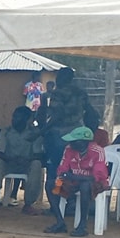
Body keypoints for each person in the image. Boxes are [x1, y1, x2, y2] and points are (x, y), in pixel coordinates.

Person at [42, 67, 90, 220]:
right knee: (75, 167)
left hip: (60, 133)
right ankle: (71, 203)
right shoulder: (81, 92)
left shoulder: (58, 93)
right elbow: (89, 111)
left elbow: (56, 114)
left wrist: (44, 128)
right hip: (78, 133)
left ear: (62, 77)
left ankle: (56, 203)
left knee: (56, 168)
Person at [43, 127, 108, 237]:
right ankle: (60, 222)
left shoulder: (97, 151)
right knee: (51, 185)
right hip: (73, 181)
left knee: (85, 186)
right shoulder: (69, 149)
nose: (70, 143)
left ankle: (82, 225)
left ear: (84, 142)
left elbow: (96, 177)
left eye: (74, 141)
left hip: (95, 184)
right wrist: (68, 176)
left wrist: (72, 176)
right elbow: (62, 170)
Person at [0, 106, 45, 211]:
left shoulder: (34, 133)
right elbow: (0, 153)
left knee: (36, 164)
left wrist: (26, 160)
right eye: (14, 116)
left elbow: (38, 154)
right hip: (8, 163)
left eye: (18, 117)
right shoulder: (6, 131)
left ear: (26, 119)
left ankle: (28, 204)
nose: (14, 119)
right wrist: (13, 159)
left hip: (26, 165)